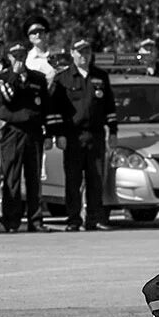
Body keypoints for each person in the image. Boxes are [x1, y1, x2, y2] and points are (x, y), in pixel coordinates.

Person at [48, 39, 117, 232]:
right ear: (72, 53)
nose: (83, 55)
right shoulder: (63, 78)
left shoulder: (101, 77)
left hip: (95, 136)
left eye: (87, 51)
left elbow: (109, 107)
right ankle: (73, 219)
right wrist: (58, 134)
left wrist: (113, 131)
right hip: (72, 136)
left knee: (96, 179)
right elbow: (54, 109)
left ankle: (93, 219)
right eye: (79, 52)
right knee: (73, 181)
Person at [0, 42, 52, 233]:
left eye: (21, 55)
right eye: (14, 56)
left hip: (34, 131)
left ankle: (36, 221)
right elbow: (8, 99)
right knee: (12, 176)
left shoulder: (38, 78)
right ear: (9, 58)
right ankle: (11, 221)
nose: (18, 59)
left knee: (34, 177)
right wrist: (15, 77)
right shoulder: (3, 77)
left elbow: (45, 108)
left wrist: (48, 134)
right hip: (13, 131)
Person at [24, 16, 57, 88]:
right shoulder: (27, 60)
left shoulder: (57, 54)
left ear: (46, 34)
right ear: (29, 38)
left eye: (40, 31)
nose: (38, 35)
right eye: (33, 32)